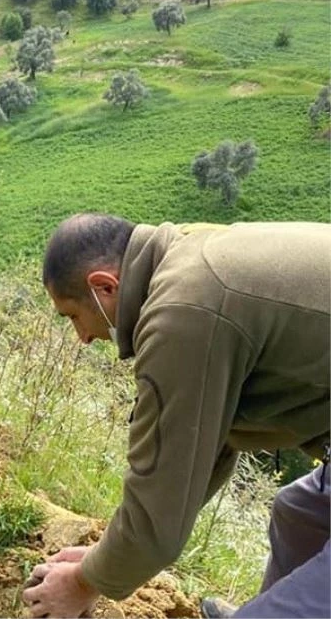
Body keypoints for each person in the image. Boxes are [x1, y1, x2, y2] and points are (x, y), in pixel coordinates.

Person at [23, 213, 330, 618]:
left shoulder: (181, 312)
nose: (82, 338)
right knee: (299, 515)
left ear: (104, 286)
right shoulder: (186, 255)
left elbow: (159, 515)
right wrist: (104, 558)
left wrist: (84, 582)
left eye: (73, 316)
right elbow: (201, 453)